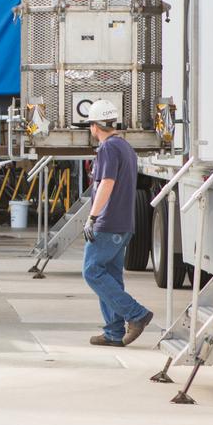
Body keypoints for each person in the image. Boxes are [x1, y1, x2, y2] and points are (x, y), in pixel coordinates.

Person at [79, 99, 155, 346]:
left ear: (94, 126)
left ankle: (137, 314)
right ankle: (113, 332)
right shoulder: (125, 146)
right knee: (109, 275)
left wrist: (92, 217)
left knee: (91, 271)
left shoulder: (108, 149)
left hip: (108, 223)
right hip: (123, 223)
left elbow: (106, 184)